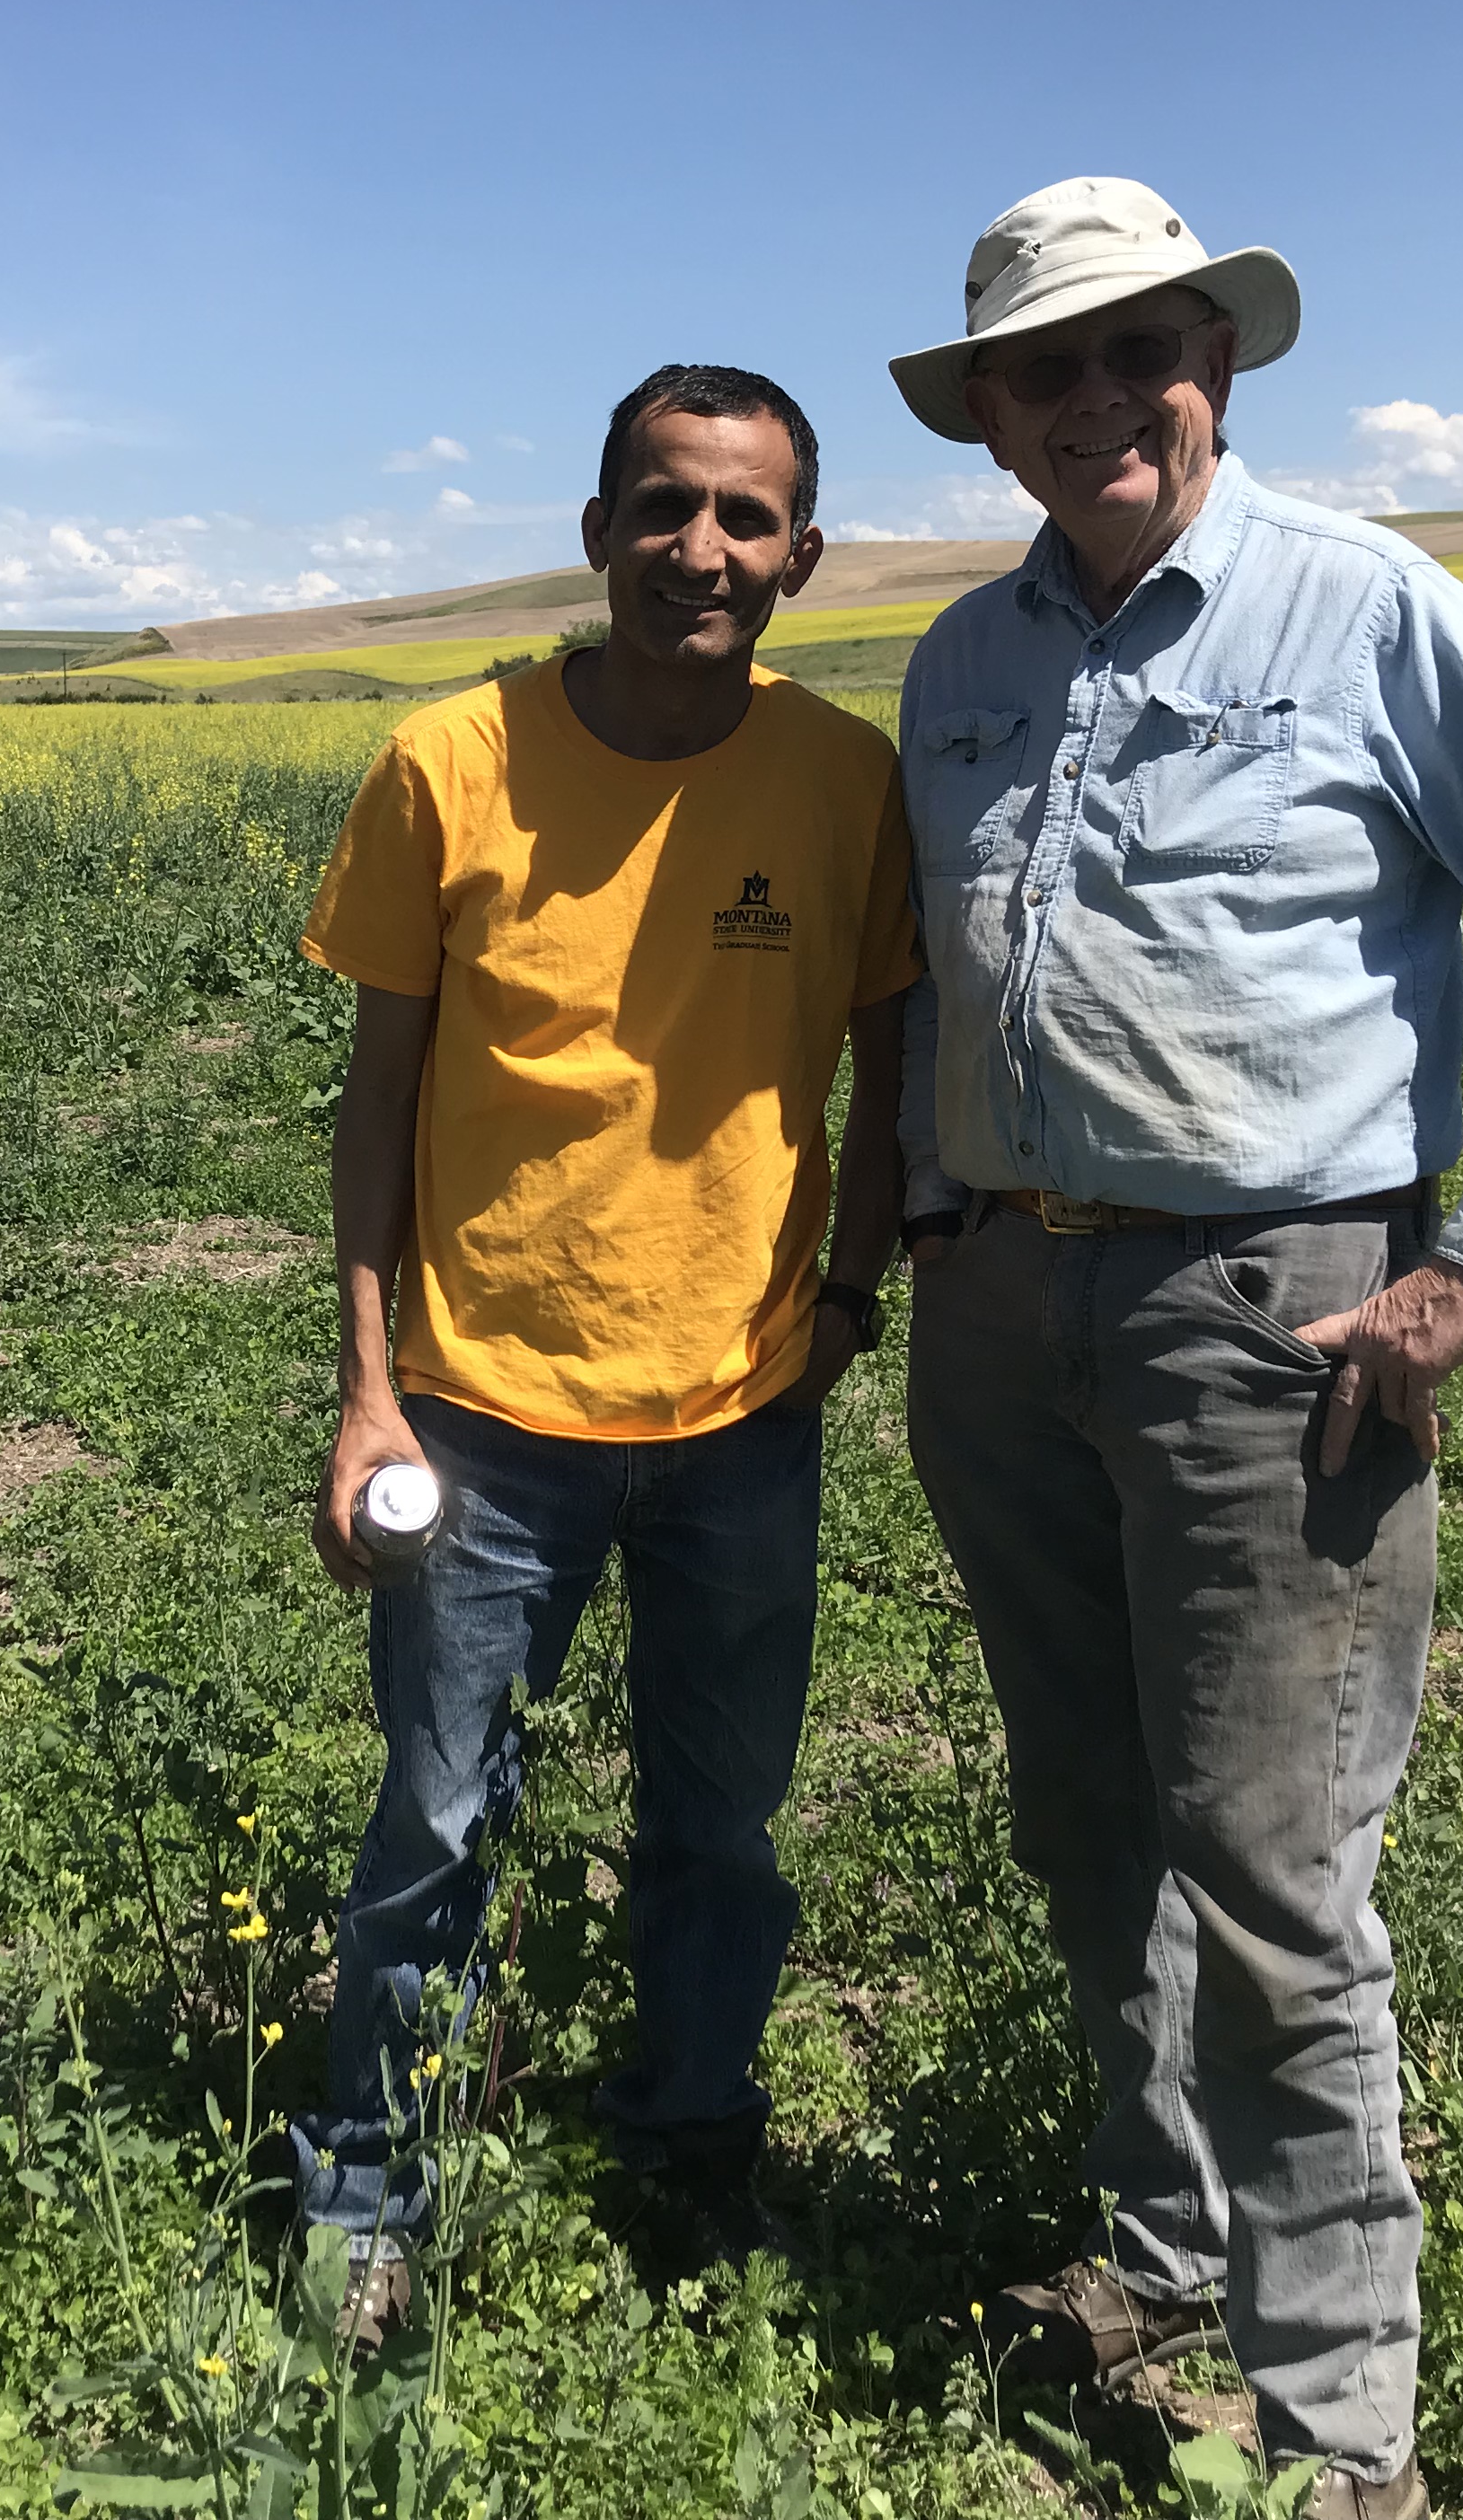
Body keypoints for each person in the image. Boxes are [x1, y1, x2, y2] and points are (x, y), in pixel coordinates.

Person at [880, 178, 1463, 2519]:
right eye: (1041, 368)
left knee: (1269, 1875)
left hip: (1275, 1317)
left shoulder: (1367, 610)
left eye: (1135, 348)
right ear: (995, 418)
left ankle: (1344, 2438)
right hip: (1008, 1311)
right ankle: (1159, 2250)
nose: (1093, 399)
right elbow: (937, 983)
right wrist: (935, 1214)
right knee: (1084, 1828)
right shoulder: (958, 663)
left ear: (1214, 370)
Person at [290, 364, 921, 2348]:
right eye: (665, 509)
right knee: (438, 1820)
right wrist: (368, 1385)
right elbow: (377, 1098)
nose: (702, 553)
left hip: (746, 1411)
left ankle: (689, 2146)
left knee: (721, 1827)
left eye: (745, 519)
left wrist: (848, 1296)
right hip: (483, 1416)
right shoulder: (448, 764)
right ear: (597, 532)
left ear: (802, 557)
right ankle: (368, 2198)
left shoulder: (843, 782)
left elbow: (891, 1054)